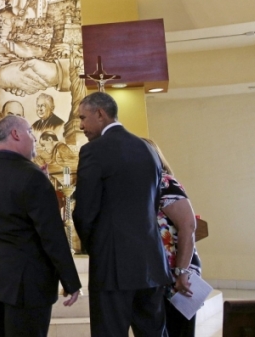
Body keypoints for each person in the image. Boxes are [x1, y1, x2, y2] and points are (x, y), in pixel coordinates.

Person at [73, 92, 172, 337]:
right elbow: (154, 203)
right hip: (151, 263)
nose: (81, 125)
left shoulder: (94, 151)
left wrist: (92, 247)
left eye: (83, 118)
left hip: (113, 267)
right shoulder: (148, 148)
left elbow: (85, 212)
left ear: (100, 114)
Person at [0, 115, 82, 337]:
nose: (34, 139)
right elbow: (50, 233)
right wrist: (70, 280)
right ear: (16, 134)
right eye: (31, 133)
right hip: (26, 284)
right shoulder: (32, 176)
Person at [144, 138, 201, 337]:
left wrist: (182, 272)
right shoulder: (144, 185)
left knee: (179, 330)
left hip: (177, 272)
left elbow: (188, 225)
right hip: (158, 273)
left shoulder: (164, 182)